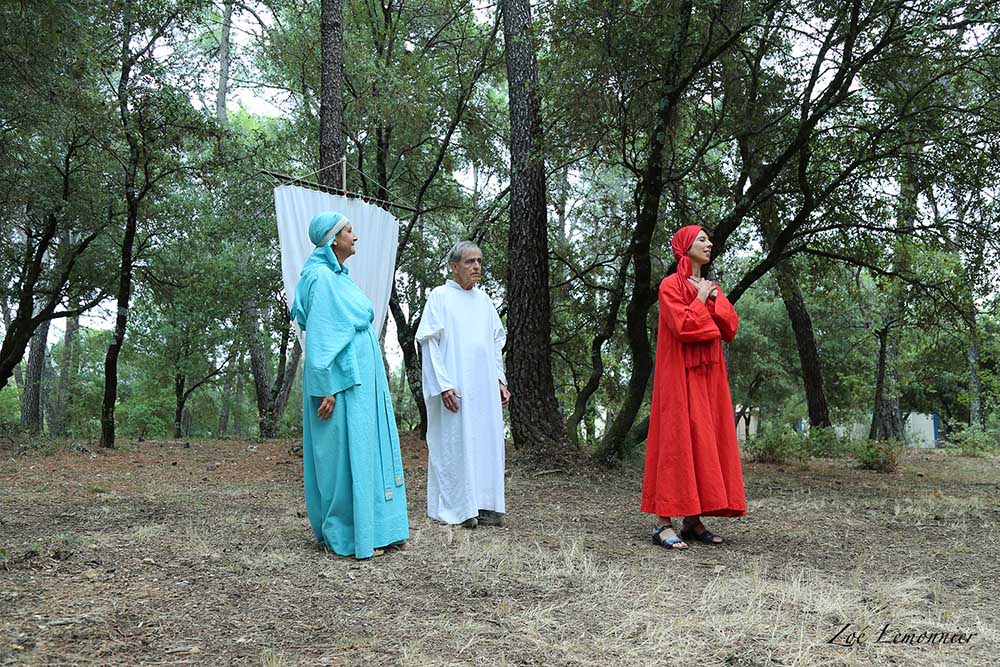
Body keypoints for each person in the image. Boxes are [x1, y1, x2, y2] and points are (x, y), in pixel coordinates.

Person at [290, 211, 409, 558]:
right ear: (332, 239)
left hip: (360, 378)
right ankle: (346, 532)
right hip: (342, 381)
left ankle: (375, 528)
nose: (355, 236)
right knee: (343, 454)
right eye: (348, 231)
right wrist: (325, 387)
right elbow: (323, 339)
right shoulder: (322, 279)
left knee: (365, 448)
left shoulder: (339, 278)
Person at [641, 225, 746, 550]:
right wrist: (703, 299)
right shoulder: (670, 285)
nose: (709, 243)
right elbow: (686, 326)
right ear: (684, 247)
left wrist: (711, 298)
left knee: (704, 439)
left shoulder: (711, 286)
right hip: (678, 375)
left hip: (708, 376)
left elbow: (729, 326)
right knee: (676, 439)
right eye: (702, 239)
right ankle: (662, 524)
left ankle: (693, 520)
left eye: (709, 239)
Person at [416, 241, 511, 529]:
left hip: (483, 388)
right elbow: (429, 343)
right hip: (455, 387)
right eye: (470, 262)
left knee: (485, 441)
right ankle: (458, 507)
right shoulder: (440, 297)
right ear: (454, 267)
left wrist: (499, 379)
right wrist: (443, 385)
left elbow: (495, 341)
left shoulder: (484, 301)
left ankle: (485, 504)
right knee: (455, 443)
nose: (476, 267)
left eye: (479, 261)